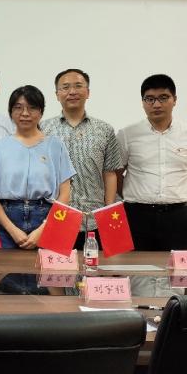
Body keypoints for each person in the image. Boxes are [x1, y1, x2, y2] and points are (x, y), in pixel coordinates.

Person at [116, 74, 187, 251]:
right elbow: (116, 175)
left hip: (178, 217)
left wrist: (175, 197)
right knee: (134, 265)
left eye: (163, 98)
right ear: (143, 102)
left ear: (175, 100)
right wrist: (133, 196)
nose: (156, 104)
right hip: (136, 216)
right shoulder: (127, 135)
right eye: (149, 99)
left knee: (178, 266)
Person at [41, 69, 122, 249]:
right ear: (57, 94)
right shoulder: (43, 129)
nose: (72, 92)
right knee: (57, 266)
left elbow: (110, 173)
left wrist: (108, 212)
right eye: (65, 87)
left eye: (78, 86)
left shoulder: (104, 130)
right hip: (56, 216)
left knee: (96, 266)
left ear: (88, 92)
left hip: (94, 219)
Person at [0, 86, 75, 250]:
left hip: (47, 217)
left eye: (32, 108)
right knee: (5, 267)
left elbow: (65, 194)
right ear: (11, 112)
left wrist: (44, 228)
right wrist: (11, 229)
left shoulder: (55, 145)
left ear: (41, 112)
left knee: (46, 266)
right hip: (6, 220)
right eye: (18, 108)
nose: (25, 113)